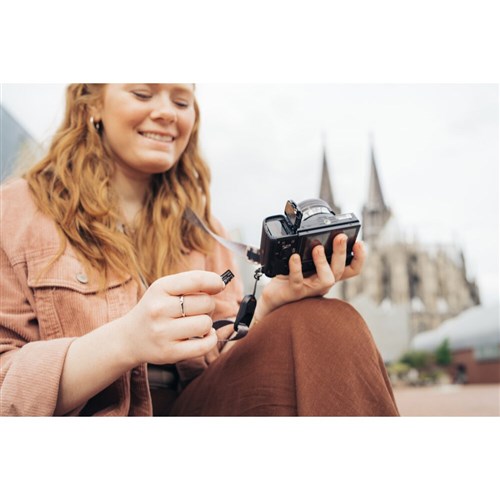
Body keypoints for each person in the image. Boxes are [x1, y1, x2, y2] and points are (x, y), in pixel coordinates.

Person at [0, 84, 399, 416]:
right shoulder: (14, 213)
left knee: (326, 319)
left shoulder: (208, 234)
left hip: (196, 408)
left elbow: (222, 360)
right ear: (92, 104)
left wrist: (268, 305)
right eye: (143, 94)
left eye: (181, 101)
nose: (166, 113)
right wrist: (125, 341)